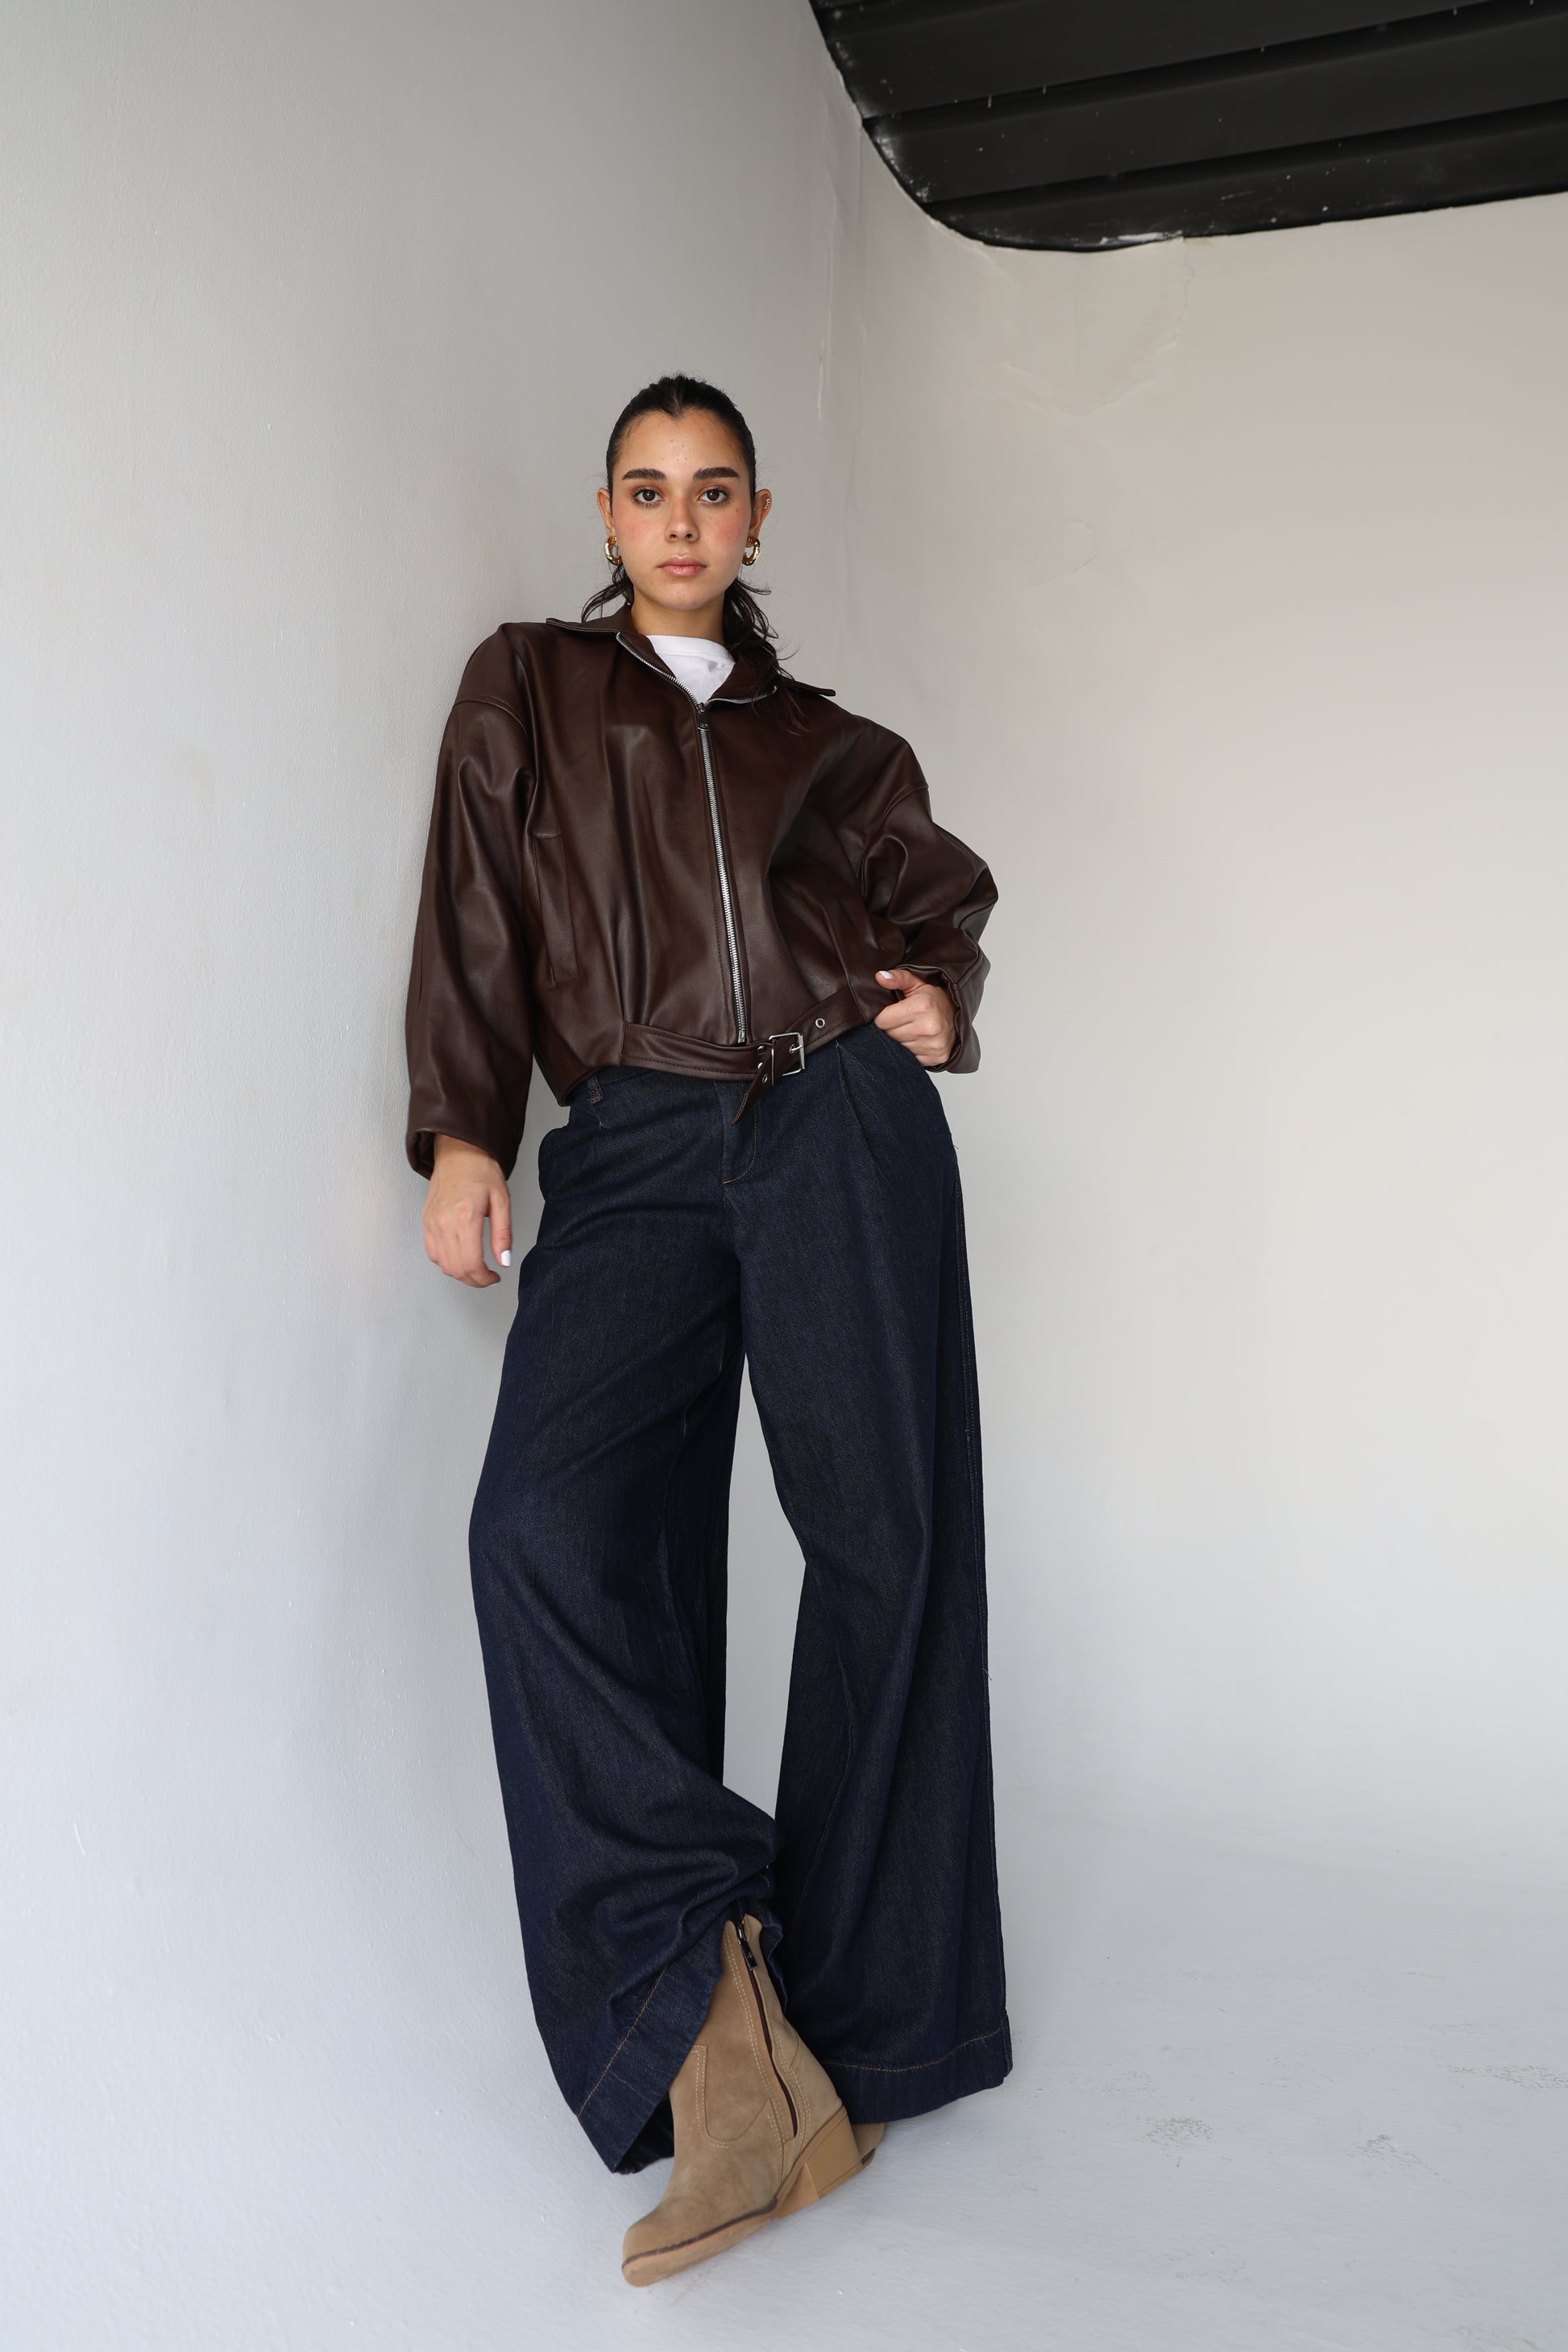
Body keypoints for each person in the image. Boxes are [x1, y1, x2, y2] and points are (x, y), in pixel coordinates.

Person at [404, 375, 1009, 2285]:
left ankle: (872, 2031)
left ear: (755, 518)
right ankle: (709, 1987)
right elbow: (475, 916)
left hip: (835, 1112)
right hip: (638, 1134)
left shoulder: (836, 743)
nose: (680, 518)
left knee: (886, 1544)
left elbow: (938, 899)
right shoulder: (527, 688)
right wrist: (465, 1128)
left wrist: (939, 996)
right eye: (648, 488)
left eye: (713, 489)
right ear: (607, 513)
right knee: (543, 1529)